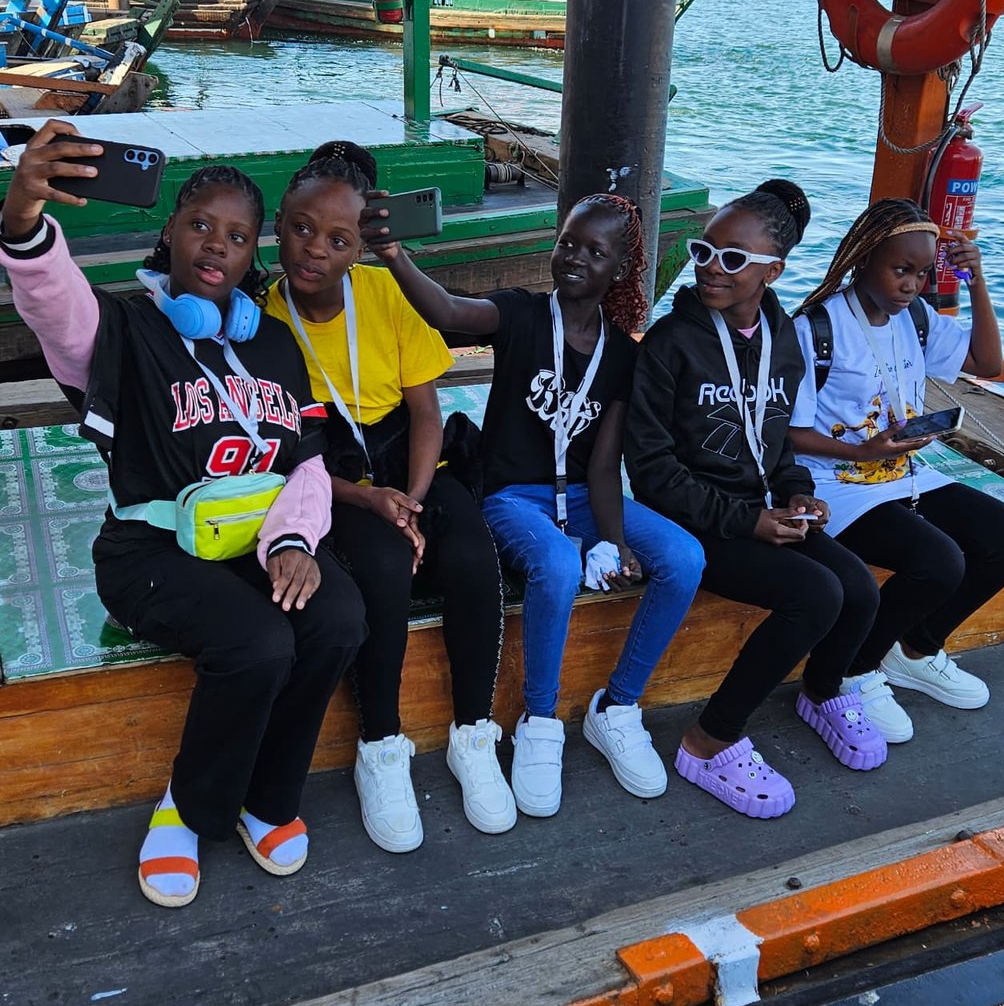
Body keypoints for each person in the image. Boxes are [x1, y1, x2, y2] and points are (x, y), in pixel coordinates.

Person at [0, 122, 365, 909]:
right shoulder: (124, 332)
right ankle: (188, 810)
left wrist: (297, 540)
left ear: (250, 253)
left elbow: (306, 459)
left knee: (338, 615)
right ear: (169, 230)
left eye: (236, 236)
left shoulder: (272, 343)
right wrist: (24, 217)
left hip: (258, 542)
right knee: (260, 642)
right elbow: (50, 301)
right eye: (200, 224)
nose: (215, 245)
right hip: (151, 552)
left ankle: (266, 798)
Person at [368, 192, 705, 816]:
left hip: (578, 496)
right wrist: (393, 254)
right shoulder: (522, 314)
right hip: (511, 497)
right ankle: (539, 722)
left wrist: (616, 538)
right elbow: (448, 308)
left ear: (619, 270)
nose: (575, 257)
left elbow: (605, 465)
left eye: (594, 251)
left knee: (683, 557)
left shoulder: (621, 354)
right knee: (555, 563)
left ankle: (619, 705)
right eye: (567, 243)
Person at [265, 141, 514, 847]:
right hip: (324, 473)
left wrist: (411, 495)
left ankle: (472, 732)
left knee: (468, 549)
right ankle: (380, 745)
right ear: (278, 223)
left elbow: (427, 413)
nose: (315, 249)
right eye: (302, 229)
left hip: (408, 456)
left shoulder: (383, 295)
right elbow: (283, 453)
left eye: (339, 240)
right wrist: (370, 502)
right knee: (377, 569)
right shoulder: (261, 319)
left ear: (358, 251)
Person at [626, 180, 888, 818]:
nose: (712, 268)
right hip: (690, 519)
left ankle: (822, 691)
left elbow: (775, 443)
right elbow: (653, 470)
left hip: (758, 508)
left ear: (775, 269)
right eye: (704, 251)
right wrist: (749, 521)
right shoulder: (671, 344)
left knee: (858, 587)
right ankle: (708, 740)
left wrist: (798, 494)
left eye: (734, 258)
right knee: (814, 593)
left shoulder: (783, 336)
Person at [788, 197, 1004, 741]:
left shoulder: (916, 319)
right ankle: (856, 667)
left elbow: (988, 364)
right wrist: (862, 453)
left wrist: (976, 281)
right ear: (862, 259)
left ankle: (918, 647)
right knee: (938, 562)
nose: (911, 285)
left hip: (901, 469)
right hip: (838, 482)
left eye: (922, 274)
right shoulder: (815, 329)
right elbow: (788, 431)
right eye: (900, 270)